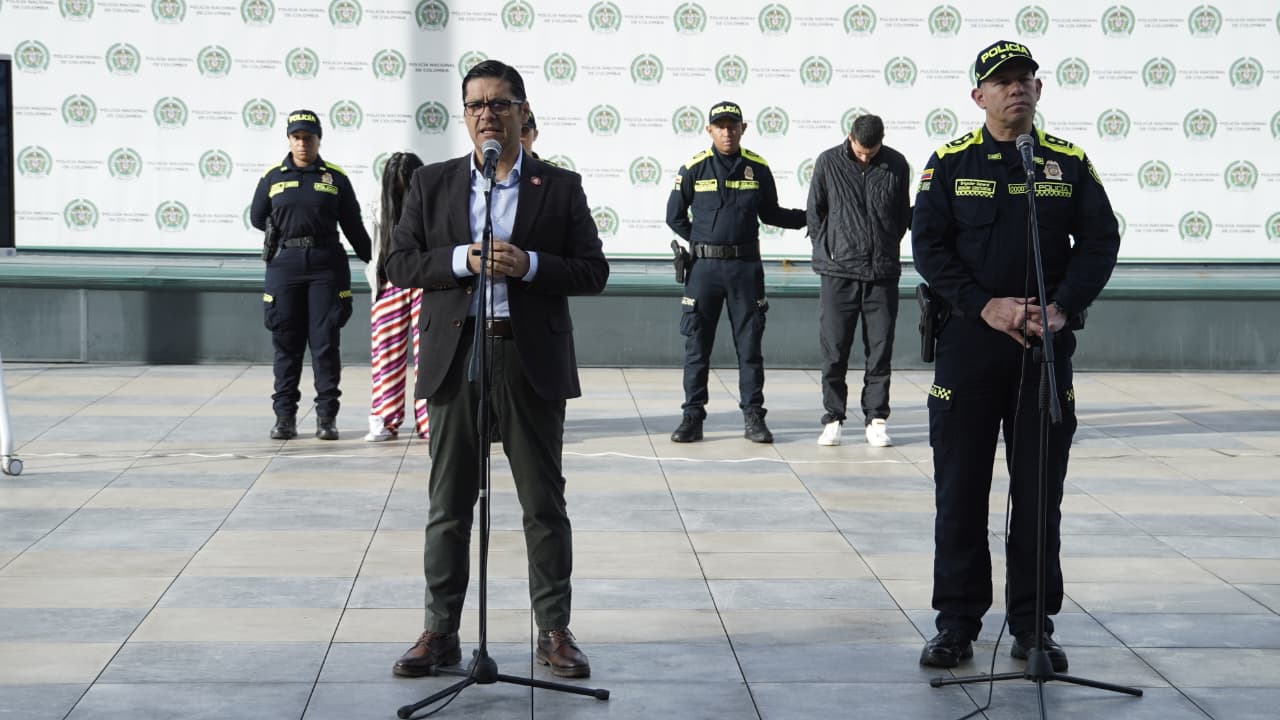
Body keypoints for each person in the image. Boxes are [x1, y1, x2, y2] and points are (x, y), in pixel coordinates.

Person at [384, 59, 609, 680]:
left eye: (500, 104)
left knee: (543, 503)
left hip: (526, 355)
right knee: (449, 504)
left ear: (522, 111)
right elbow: (400, 264)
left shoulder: (558, 187)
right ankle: (440, 633)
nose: (488, 114)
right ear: (465, 115)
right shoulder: (433, 184)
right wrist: (461, 258)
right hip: (457, 356)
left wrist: (529, 265)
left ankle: (554, 631)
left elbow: (593, 271)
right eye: (477, 104)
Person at [912, 41, 1120, 672]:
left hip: (1044, 353)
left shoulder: (1067, 163)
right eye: (1001, 82)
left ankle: (1034, 627)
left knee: (1037, 496)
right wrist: (985, 305)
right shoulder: (949, 163)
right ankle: (956, 624)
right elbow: (929, 247)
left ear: (1039, 90)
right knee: (961, 491)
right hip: (970, 349)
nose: (1016, 89)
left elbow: (1101, 238)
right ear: (978, 96)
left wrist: (1062, 306)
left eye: (1025, 79)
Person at [666, 100, 806, 444]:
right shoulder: (694, 168)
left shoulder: (757, 168)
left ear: (743, 128)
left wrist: (811, 216)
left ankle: (754, 417)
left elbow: (771, 213)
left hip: (745, 269)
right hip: (704, 270)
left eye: (733, 126)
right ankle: (692, 417)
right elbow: (675, 216)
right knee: (697, 346)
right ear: (709, 130)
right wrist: (701, 242)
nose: (727, 132)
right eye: (720, 126)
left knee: (750, 347)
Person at [250, 109, 372, 441]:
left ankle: (326, 418)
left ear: (319, 139)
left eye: (309, 137)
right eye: (297, 137)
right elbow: (257, 217)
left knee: (325, 344)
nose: (303, 144)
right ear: (289, 140)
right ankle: (285, 417)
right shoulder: (273, 177)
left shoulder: (335, 178)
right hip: (285, 264)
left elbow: (354, 227)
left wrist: (378, 262)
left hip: (325, 266)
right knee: (286, 344)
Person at [807, 114, 911, 448]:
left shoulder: (896, 164)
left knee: (880, 349)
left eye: (872, 150)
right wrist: (830, 250)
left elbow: (900, 215)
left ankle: (876, 418)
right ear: (849, 137)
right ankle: (834, 417)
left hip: (882, 272)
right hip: (838, 273)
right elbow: (815, 211)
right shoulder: (828, 162)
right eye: (860, 149)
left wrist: (885, 245)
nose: (865, 155)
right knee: (834, 349)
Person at [363, 151, 429, 442]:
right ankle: (384, 419)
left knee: (430, 354)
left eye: (407, 185)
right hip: (389, 282)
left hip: (425, 282)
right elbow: (374, 250)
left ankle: (430, 420)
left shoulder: (432, 203)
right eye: (397, 186)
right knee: (385, 353)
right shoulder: (377, 207)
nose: (401, 192)